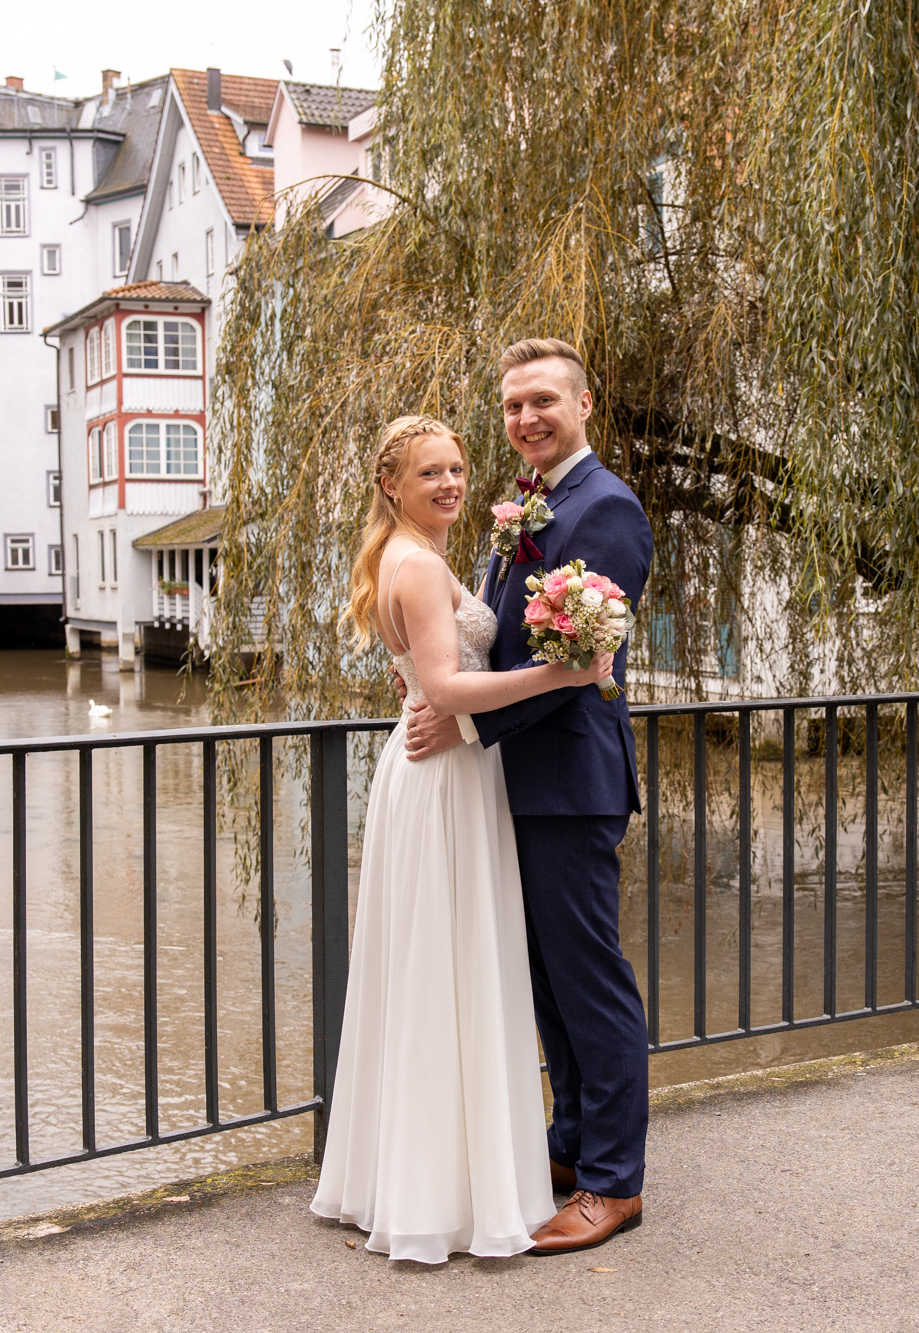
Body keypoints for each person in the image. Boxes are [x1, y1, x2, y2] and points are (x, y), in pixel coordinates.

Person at [309, 414, 615, 1263]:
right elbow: (444, 682)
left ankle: (432, 1172)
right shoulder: (415, 563)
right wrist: (569, 668)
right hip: (445, 776)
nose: (449, 482)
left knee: (440, 966)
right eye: (429, 472)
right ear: (392, 487)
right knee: (447, 967)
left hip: (451, 771)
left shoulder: (415, 555)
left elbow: (443, 679)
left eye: (455, 467)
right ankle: (441, 1188)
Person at [403, 339, 656, 1255]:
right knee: (545, 981)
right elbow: (506, 638)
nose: (526, 419)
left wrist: (465, 723)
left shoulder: (608, 508)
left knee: (590, 983)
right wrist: (441, 682)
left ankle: (614, 1183)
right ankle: (572, 1144)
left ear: (584, 404)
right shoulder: (533, 502)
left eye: (543, 400)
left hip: (568, 780)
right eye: (512, 406)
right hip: (519, 776)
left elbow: (576, 664)